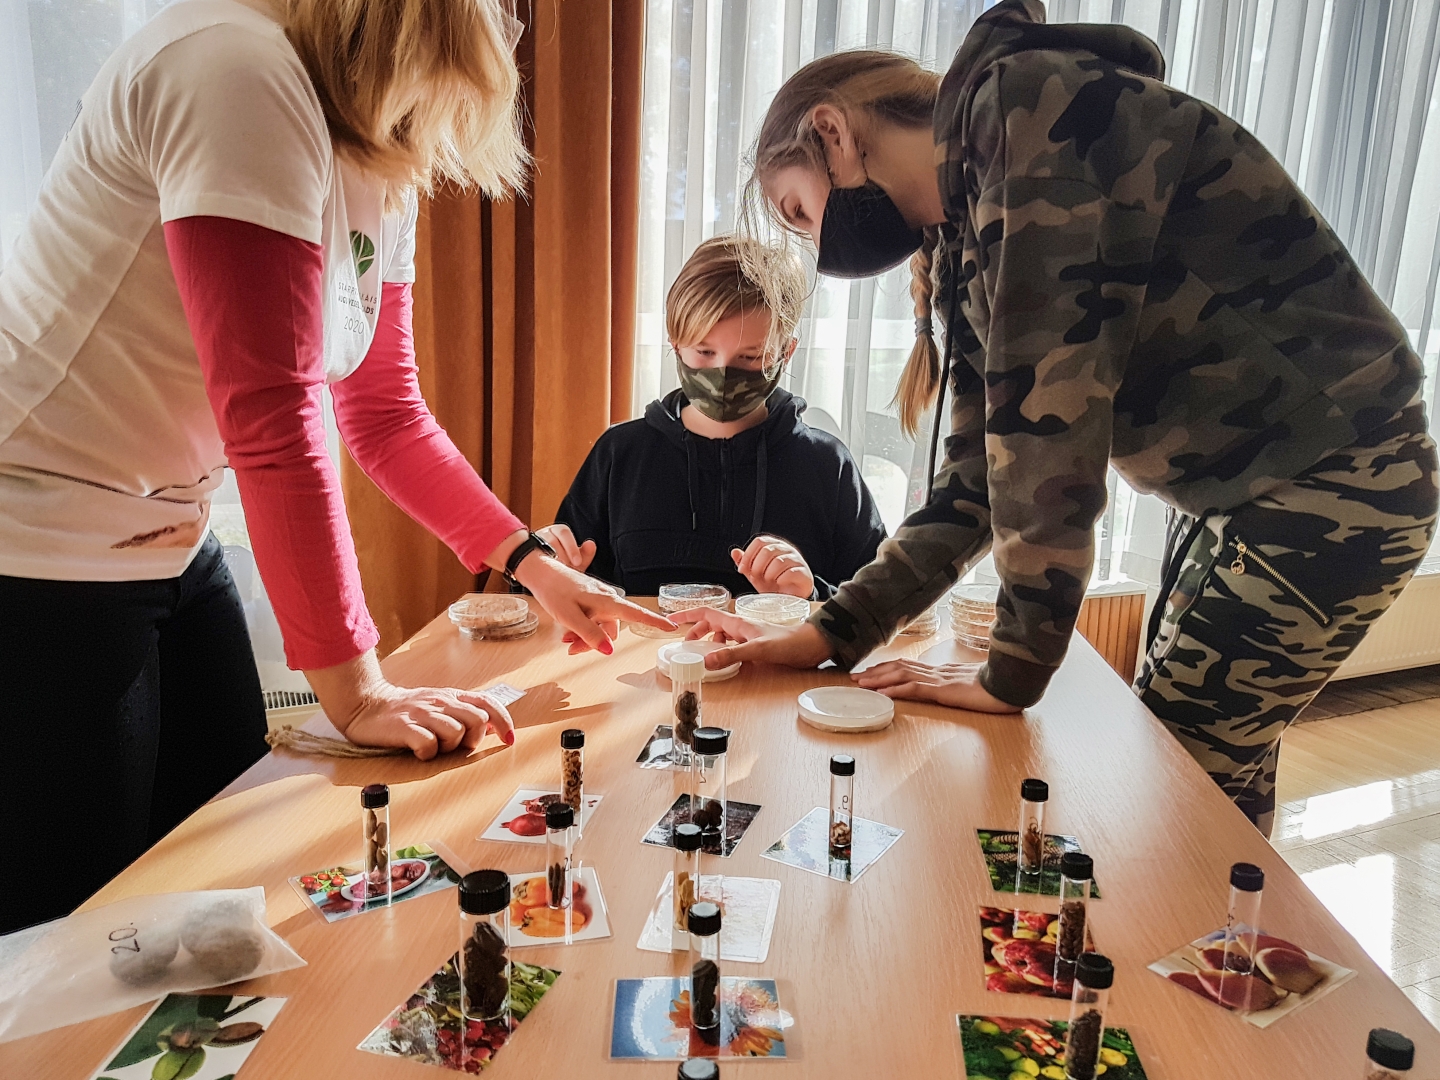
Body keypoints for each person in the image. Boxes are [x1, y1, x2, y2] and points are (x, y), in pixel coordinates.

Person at [673, 0, 1440, 837]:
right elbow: (974, 484)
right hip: (1246, 492)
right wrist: (834, 630)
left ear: (833, 132)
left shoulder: (1026, 123)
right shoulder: (968, 219)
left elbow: (1047, 444)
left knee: (1178, 792)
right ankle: (1241, 920)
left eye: (800, 211)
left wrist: (1011, 673)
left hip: (1333, 480)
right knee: (1210, 776)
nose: (820, 246)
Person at [0, 0, 669, 932]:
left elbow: (384, 412)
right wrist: (358, 693)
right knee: (64, 936)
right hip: (38, 546)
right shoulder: (235, 64)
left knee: (216, 899)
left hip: (173, 531)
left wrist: (532, 564)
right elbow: (273, 419)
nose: (510, 34)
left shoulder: (374, 153)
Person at [539, 236, 886, 603]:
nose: (722, 376)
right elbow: (558, 585)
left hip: (781, 645)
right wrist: (548, 565)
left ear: (787, 351)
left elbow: (883, 602)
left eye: (751, 357)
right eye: (704, 351)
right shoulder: (620, 454)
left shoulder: (826, 465)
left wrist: (808, 594)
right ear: (675, 342)